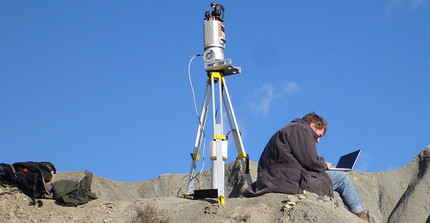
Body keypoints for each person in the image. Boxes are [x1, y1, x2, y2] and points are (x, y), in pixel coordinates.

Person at [243, 112, 370, 222]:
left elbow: (300, 159)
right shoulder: (301, 129)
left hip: (277, 177)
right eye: (318, 136)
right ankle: (361, 216)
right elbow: (310, 160)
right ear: (312, 126)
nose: (318, 141)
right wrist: (323, 164)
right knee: (342, 178)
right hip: (287, 179)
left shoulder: (289, 129)